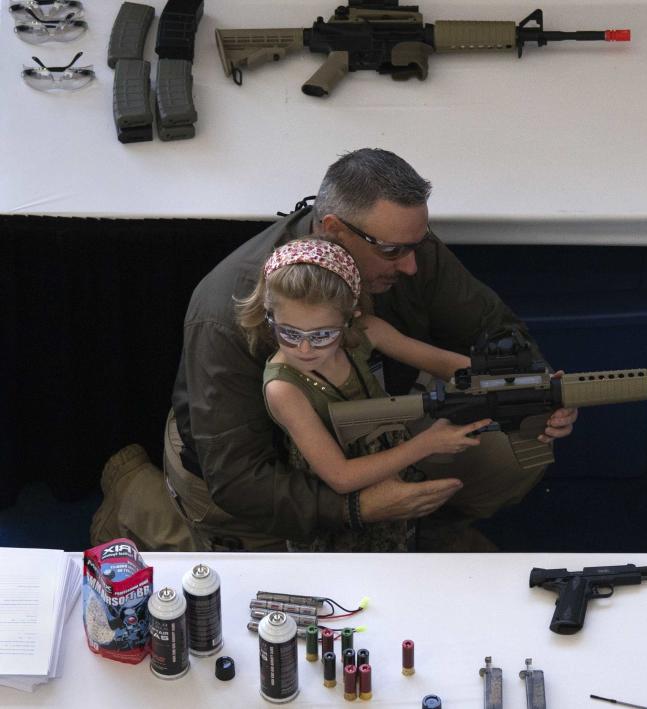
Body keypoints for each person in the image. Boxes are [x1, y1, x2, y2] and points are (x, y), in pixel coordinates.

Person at [164, 148, 577, 552]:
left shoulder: (403, 246)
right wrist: (355, 509)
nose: (412, 266)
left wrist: (534, 387)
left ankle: (422, 532)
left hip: (369, 429)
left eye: (418, 244)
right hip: (264, 477)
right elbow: (239, 480)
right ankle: (139, 502)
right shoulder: (227, 310)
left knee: (517, 451)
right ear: (334, 230)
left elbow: (493, 328)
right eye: (393, 251)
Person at [236, 238, 492, 542]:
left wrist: (519, 381)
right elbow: (341, 477)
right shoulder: (283, 388)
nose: (304, 348)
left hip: (394, 480)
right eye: (289, 333)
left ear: (350, 318)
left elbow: (445, 364)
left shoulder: (366, 331)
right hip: (343, 526)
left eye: (323, 335)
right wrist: (428, 444)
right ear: (269, 317)